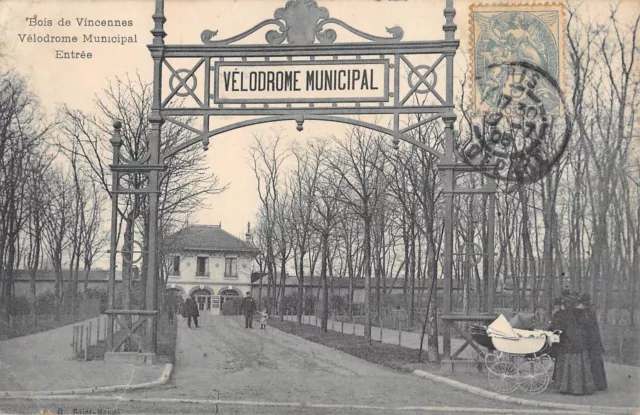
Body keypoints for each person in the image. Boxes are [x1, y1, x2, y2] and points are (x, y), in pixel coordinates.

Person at [553, 293, 595, 395]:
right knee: (581, 366)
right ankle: (581, 388)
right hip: (580, 341)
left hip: (570, 342)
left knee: (570, 364)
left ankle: (569, 388)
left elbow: (561, 328)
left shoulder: (566, 314)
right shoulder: (581, 313)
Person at [579, 293, 607, 391]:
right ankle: (600, 383)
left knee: (592, 362)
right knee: (597, 362)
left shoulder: (586, 311)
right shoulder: (591, 310)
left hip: (589, 340)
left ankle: (595, 383)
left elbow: (585, 326)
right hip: (595, 339)